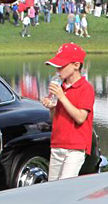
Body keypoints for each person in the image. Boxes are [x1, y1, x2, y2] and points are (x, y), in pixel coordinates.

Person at [41, 43, 95, 181]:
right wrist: (53, 108)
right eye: (56, 67)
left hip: (75, 147)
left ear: (76, 65)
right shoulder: (61, 87)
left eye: (61, 66)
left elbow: (80, 118)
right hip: (57, 143)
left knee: (66, 184)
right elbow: (55, 120)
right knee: (52, 186)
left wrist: (62, 97)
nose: (58, 70)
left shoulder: (85, 88)